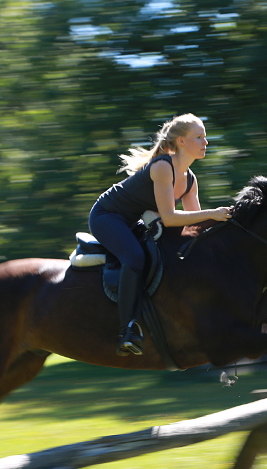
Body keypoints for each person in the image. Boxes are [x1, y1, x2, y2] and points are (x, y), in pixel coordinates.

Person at [89, 113, 232, 357]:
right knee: (134, 258)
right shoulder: (163, 167)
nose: (205, 142)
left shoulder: (190, 180)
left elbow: (193, 226)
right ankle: (127, 330)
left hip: (133, 221)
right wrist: (215, 213)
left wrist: (226, 226)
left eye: (205, 137)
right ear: (181, 142)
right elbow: (170, 218)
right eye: (199, 137)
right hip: (107, 217)